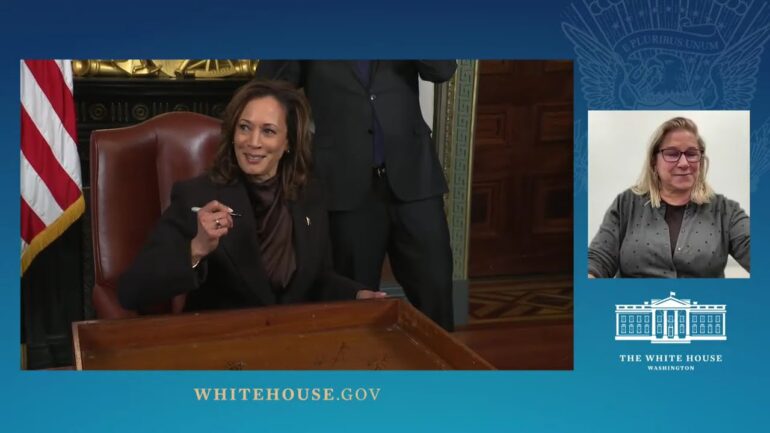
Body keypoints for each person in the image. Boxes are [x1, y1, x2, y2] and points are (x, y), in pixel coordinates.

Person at [118, 80, 385, 312]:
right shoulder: (197, 196)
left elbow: (317, 278)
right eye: (244, 127)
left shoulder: (309, 194)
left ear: (288, 142)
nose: (253, 142)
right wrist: (196, 248)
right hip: (224, 348)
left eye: (268, 131)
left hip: (292, 345)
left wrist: (357, 294)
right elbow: (133, 291)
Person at [256, 61, 456, 330]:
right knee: (355, 302)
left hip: (414, 179)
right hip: (344, 184)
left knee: (436, 288)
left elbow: (442, 70)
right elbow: (269, 88)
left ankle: (442, 370)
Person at [588, 117, 750, 278]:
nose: (684, 163)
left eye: (692, 153)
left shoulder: (726, 211)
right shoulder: (626, 204)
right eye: (672, 154)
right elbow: (599, 258)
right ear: (653, 162)